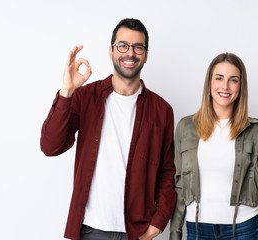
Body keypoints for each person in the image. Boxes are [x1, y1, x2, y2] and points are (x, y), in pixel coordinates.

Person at [40, 18, 176, 240]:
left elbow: (167, 172)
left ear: (146, 54)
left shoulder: (162, 110)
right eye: (122, 45)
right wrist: (66, 90)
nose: (129, 53)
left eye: (138, 47)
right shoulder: (85, 97)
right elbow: (50, 146)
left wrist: (157, 225)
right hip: (90, 229)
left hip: (138, 231)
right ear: (111, 51)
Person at [169, 53, 258, 240]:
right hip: (198, 229)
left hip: (243, 228)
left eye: (233, 80)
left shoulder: (255, 129)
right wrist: (175, 232)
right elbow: (180, 185)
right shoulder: (186, 126)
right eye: (219, 78)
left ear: (241, 86)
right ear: (209, 82)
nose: (225, 86)